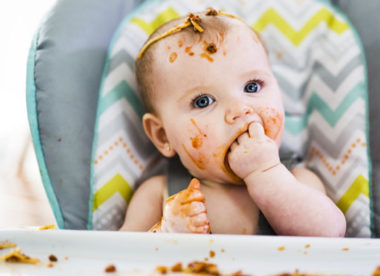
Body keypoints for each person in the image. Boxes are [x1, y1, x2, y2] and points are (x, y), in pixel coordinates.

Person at [119, 9, 346, 236]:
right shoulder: (159, 194)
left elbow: (330, 235)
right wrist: (165, 233)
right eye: (203, 101)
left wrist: (266, 173)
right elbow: (117, 256)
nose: (240, 110)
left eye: (252, 87)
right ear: (163, 136)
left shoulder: (296, 181)